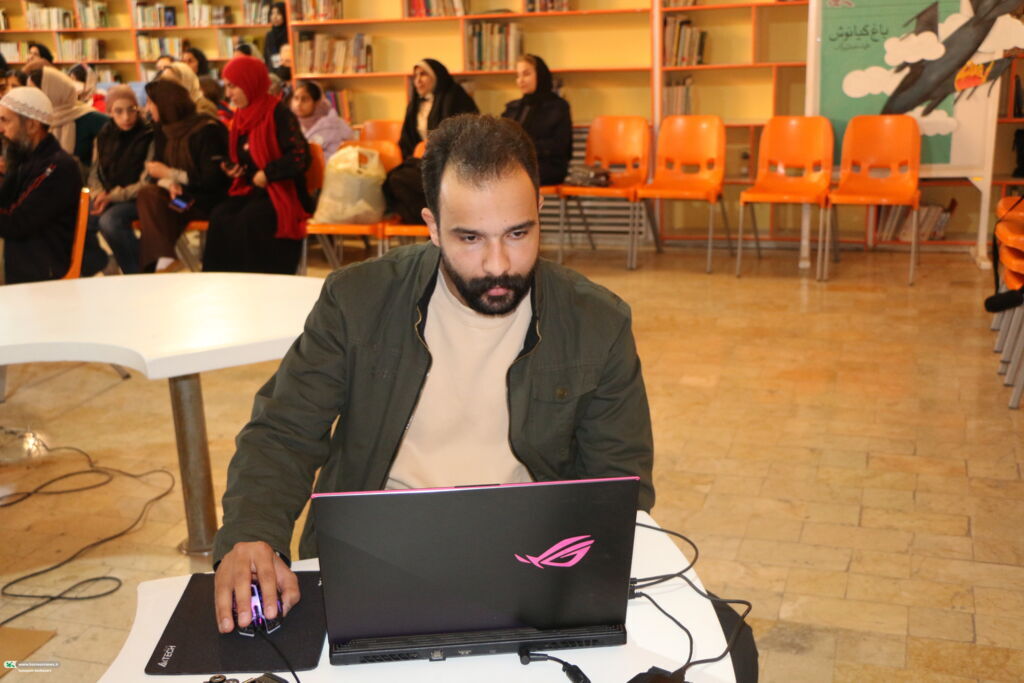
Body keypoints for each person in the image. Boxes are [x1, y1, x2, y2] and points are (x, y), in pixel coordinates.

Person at [211, 114, 654, 632]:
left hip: (531, 557)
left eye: (517, 233)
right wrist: (252, 532)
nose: (497, 264)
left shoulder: (598, 323)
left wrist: (580, 571)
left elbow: (619, 482)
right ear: (432, 226)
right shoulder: (356, 300)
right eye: (470, 238)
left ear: (539, 209)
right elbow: (284, 430)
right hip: (374, 550)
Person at [202, 56, 312, 274]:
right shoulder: (240, 116)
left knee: (250, 219)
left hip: (282, 190)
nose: (228, 94)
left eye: (233, 86)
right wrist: (233, 168)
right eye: (227, 87)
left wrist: (268, 173)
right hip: (252, 189)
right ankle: (223, 283)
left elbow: (300, 157)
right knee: (220, 216)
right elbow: (241, 156)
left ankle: (257, 282)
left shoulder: (279, 113)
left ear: (249, 83)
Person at [136, 80, 228, 272]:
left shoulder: (207, 130)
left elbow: (212, 180)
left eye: (151, 102)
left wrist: (171, 174)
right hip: (179, 198)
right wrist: (170, 183)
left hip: (204, 201)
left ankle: (160, 266)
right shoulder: (163, 129)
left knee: (155, 214)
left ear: (165, 104)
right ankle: (165, 262)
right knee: (148, 196)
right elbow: (156, 172)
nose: (147, 108)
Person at [0, 87, 83, 284]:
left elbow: (15, 222)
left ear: (31, 125)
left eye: (5, 120)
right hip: (24, 267)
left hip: (43, 277)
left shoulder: (56, 167)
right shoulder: (27, 159)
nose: (1, 129)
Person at [384, 58, 477, 224]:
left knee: (409, 180)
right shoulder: (414, 105)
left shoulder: (455, 97)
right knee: (394, 179)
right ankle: (433, 221)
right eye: (415, 76)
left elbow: (466, 134)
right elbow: (407, 140)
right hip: (423, 163)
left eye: (423, 74)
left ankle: (443, 221)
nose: (418, 80)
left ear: (436, 76)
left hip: (450, 163)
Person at [87, 85, 154, 275]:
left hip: (138, 198)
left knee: (110, 222)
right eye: (118, 111)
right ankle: (103, 264)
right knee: (80, 218)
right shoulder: (103, 135)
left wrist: (111, 196)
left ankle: (138, 274)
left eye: (131, 110)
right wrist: (99, 193)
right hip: (108, 195)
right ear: (109, 112)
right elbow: (95, 172)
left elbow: (146, 182)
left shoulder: (148, 134)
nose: (126, 117)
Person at [501, 54, 572, 186]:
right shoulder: (513, 108)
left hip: (548, 166)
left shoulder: (558, 106)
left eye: (526, 74)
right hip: (518, 165)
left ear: (540, 75)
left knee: (511, 177)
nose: (521, 80)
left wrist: (524, 149)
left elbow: (560, 145)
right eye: (518, 75)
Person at [31, 66, 108, 175]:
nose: (31, 97)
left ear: (52, 92)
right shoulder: (38, 119)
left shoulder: (88, 117)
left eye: (35, 91)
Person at [290, 80, 352, 157]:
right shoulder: (296, 122)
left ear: (316, 103)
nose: (298, 104)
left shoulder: (330, 126)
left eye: (305, 99)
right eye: (296, 98)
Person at [263, 2, 288, 71]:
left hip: (287, 70)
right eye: (272, 13)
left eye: (278, 13)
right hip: (272, 71)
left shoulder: (289, 33)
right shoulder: (269, 35)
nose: (274, 17)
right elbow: (267, 57)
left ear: (285, 14)